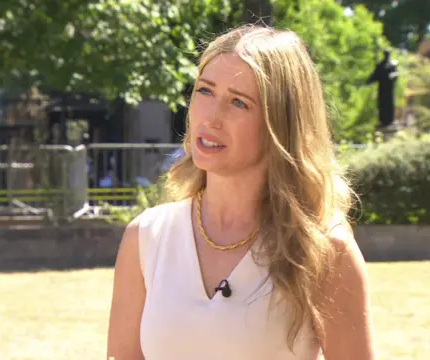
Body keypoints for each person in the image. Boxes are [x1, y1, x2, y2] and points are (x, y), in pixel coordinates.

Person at [107, 25, 374, 360]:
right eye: (205, 91)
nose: (211, 118)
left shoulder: (322, 249)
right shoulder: (147, 237)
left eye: (238, 102)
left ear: (281, 124)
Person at [366, 49, 399, 128]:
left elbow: (396, 73)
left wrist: (392, 76)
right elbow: (375, 75)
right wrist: (368, 81)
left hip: (390, 90)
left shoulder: (392, 64)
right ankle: (383, 121)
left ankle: (390, 121)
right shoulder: (380, 65)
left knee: (390, 105)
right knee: (382, 105)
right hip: (382, 89)